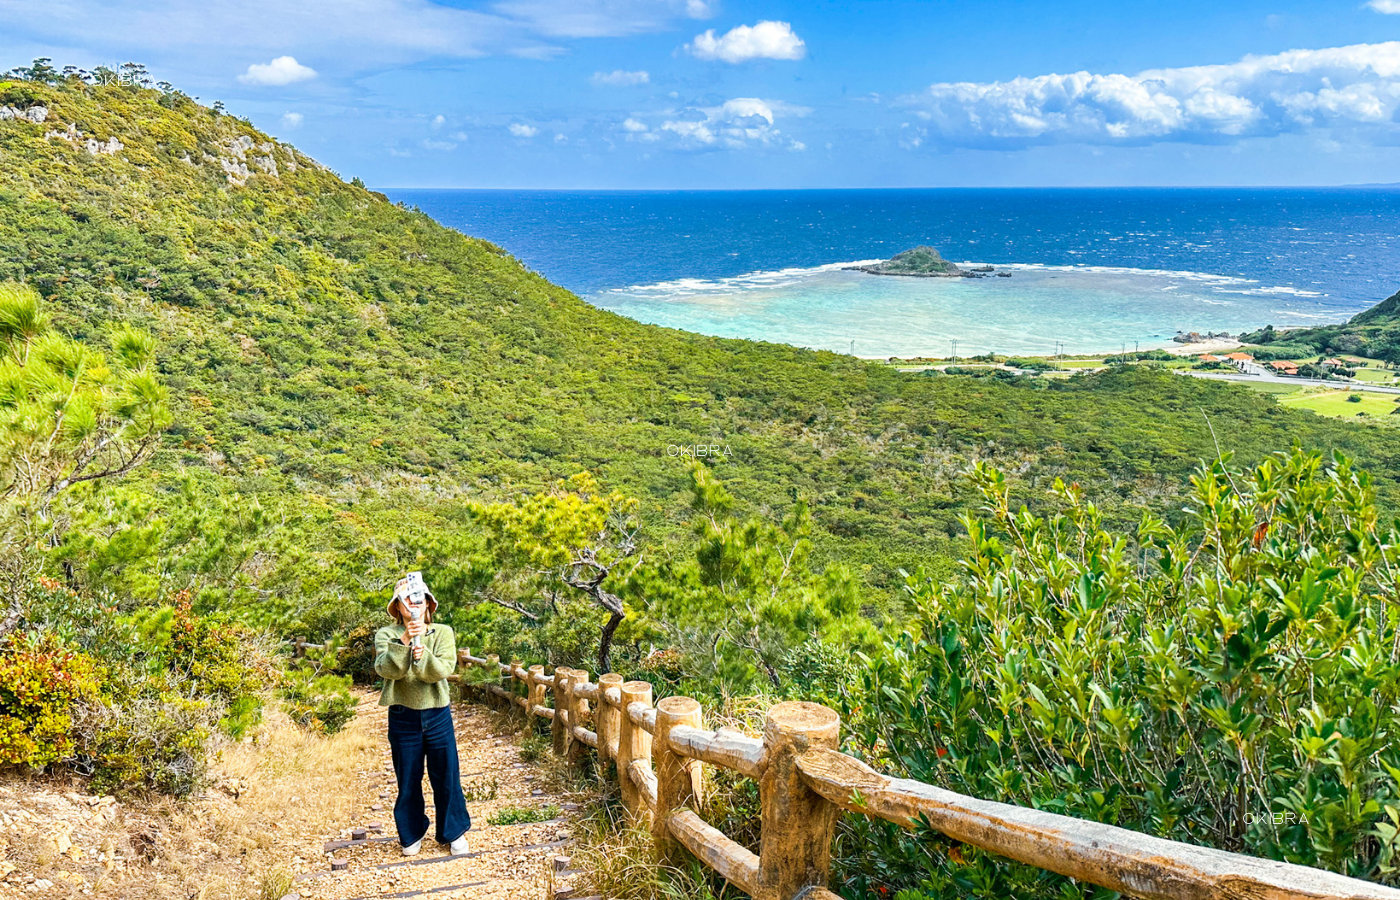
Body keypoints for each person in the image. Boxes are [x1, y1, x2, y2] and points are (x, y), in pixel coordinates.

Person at [374, 571, 471, 856]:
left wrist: (423, 655)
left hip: (437, 713)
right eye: (407, 602)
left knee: (447, 774)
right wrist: (404, 643)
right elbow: (386, 669)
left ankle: (453, 831)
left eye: (420, 601)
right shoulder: (387, 635)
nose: (414, 607)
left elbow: (443, 670)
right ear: (398, 607)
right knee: (408, 777)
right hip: (403, 715)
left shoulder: (442, 633)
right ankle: (410, 833)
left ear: (429, 604)